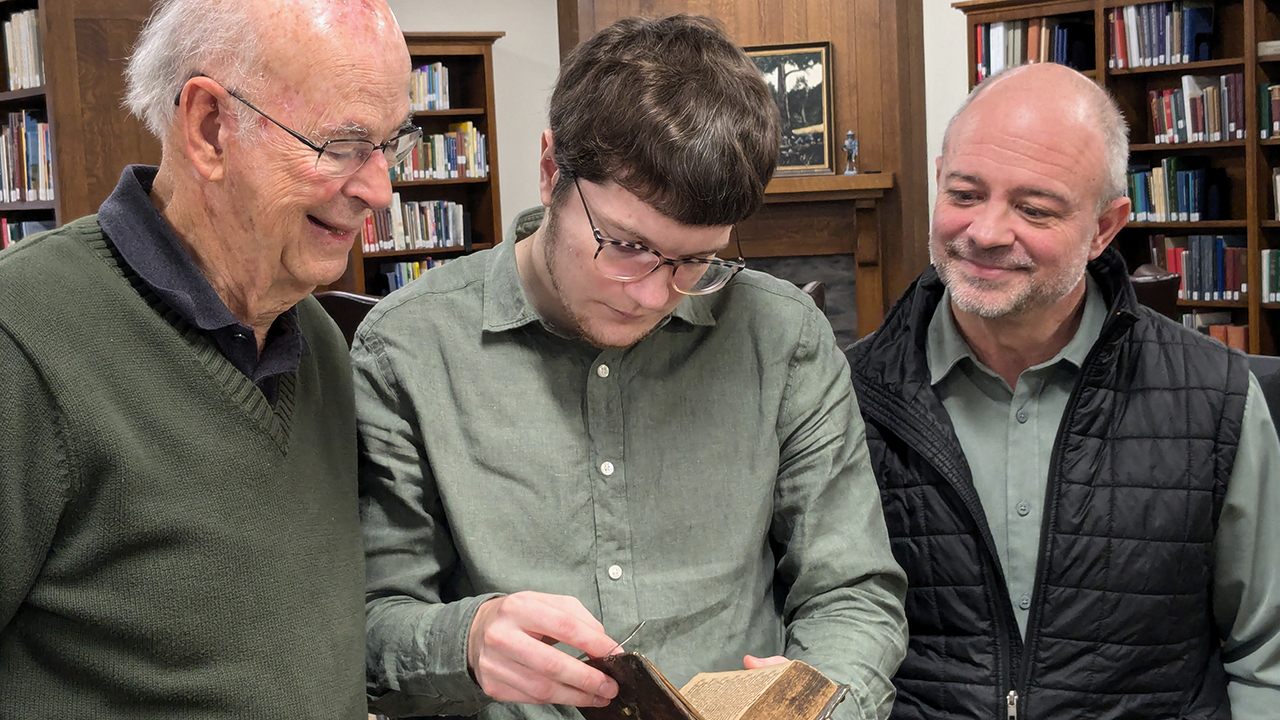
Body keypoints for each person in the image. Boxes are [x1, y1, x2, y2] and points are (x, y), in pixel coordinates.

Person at [357, 14, 908, 720]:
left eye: (696, 261)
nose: (654, 295)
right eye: (625, 246)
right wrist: (463, 643)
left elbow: (852, 592)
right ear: (553, 169)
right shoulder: (408, 348)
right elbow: (369, 624)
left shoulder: (781, 335)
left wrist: (826, 703)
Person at [0, 0, 415, 716]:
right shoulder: (25, 337)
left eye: (392, 144)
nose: (380, 189)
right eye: (344, 145)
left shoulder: (317, 339)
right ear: (209, 129)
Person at [848, 62, 1280, 720]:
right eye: (965, 194)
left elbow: (1265, 651)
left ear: (1105, 228)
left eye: (1034, 208)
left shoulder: (1217, 399)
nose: (987, 232)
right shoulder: (844, 398)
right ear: (938, 181)